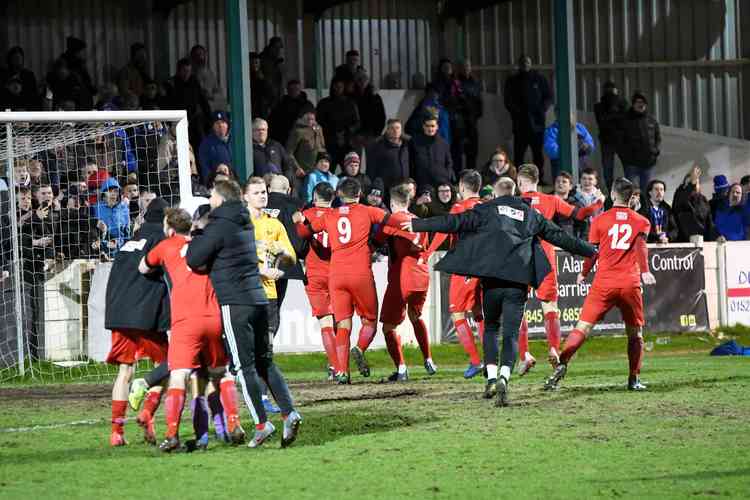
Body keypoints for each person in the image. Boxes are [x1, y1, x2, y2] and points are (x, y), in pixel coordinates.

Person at [403, 176, 596, 406]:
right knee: (511, 334)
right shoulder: (529, 214)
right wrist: (591, 251)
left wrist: (418, 224)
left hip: (492, 280)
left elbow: (453, 222)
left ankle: (492, 378)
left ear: (494, 194)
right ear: (514, 192)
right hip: (517, 282)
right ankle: (505, 375)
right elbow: (561, 237)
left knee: (491, 328)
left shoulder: (486, 210)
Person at [186, 179, 302, 448]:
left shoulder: (219, 225)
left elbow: (194, 259)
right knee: (266, 362)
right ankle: (289, 412)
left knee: (244, 367)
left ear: (220, 198)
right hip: (260, 298)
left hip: (235, 302)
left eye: (213, 196)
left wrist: (198, 232)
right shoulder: (245, 221)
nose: (210, 200)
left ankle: (262, 425)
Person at [140, 208, 246, 451]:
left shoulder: (166, 246)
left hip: (185, 320)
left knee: (179, 375)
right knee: (221, 373)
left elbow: (143, 268)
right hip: (213, 316)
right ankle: (233, 423)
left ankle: (171, 434)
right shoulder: (205, 245)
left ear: (169, 229)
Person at [294, 177, 414, 383]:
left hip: (336, 275)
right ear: (360, 194)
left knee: (342, 324)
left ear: (340, 195)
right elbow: (394, 220)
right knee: (369, 321)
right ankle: (359, 348)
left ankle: (342, 371)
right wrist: (414, 223)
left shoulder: (330, 215)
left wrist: (299, 221)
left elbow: (305, 232)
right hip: (360, 273)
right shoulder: (369, 211)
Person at [545, 178, 656, 392]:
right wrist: (645, 271)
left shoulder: (599, 220)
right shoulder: (641, 221)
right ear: (631, 196)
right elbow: (641, 248)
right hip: (629, 284)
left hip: (603, 283)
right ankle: (634, 379)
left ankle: (562, 363)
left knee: (582, 328)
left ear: (613, 195)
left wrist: (583, 273)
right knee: (635, 333)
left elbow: (592, 251)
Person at [515, 164, 604, 375]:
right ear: (537, 180)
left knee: (517, 308)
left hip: (520, 259)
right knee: (550, 308)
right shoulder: (551, 200)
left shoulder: (514, 203)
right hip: (545, 257)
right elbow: (581, 214)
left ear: (520, 181)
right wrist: (599, 202)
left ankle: (525, 355)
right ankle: (554, 349)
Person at [104, 198, 170, 446]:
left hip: (118, 314)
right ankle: (147, 413)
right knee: (168, 364)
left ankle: (116, 432)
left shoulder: (128, 243)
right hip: (145, 314)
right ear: (166, 219)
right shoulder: (162, 240)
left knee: (125, 371)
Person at [243, 177, 297, 414]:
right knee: (246, 350)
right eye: (256, 193)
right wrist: (259, 269)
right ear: (245, 196)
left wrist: (282, 253)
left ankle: (263, 397)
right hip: (243, 294)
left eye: (264, 192)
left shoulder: (274, 225)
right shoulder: (239, 224)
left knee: (266, 348)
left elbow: (292, 258)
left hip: (268, 294)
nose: (262, 196)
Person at [423, 170, 484, 376]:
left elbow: (443, 231)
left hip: (465, 266)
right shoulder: (487, 207)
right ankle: (491, 359)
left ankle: (476, 361)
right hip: (487, 266)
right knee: (478, 311)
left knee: (457, 312)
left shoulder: (460, 208)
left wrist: (428, 253)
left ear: (463, 187)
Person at [378, 184, 435, 381]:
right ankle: (428, 359)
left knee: (388, 326)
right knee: (415, 316)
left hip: (402, 275)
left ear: (393, 203)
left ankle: (401, 368)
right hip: (422, 274)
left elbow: (377, 239)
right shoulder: (419, 221)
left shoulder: (393, 219)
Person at [295, 182, 337, 379]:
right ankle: (339, 364)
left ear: (314, 196)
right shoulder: (339, 215)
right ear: (332, 197)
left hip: (315, 274)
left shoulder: (308, 215)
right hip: (338, 273)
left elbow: (298, 241)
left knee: (325, 322)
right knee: (339, 320)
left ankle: (335, 367)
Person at [504, 55, 553, 178]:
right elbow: (508, 101)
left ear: (531, 64)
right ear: (519, 64)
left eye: (527, 62)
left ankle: (539, 179)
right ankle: (519, 180)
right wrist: (517, 113)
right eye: (523, 62)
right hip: (520, 125)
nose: (525, 64)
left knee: (538, 154)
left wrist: (541, 110)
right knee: (519, 155)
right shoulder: (512, 81)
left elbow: (549, 97)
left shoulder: (539, 79)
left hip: (537, 125)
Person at [266, 175, 307, 311]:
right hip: (281, 264)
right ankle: (269, 332)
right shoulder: (293, 207)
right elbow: (296, 241)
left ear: (268, 188)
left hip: (257, 262)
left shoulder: (256, 203)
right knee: (274, 308)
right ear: (288, 190)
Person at [163, 58, 211, 149]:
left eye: (189, 71)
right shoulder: (172, 84)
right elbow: (167, 105)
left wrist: (209, 118)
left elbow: (202, 100)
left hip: (193, 120)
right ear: (179, 71)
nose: (186, 74)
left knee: (201, 143)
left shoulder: (194, 82)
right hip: (178, 121)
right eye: (184, 71)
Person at [618, 92, 661, 189]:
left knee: (646, 191)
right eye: (638, 102)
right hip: (631, 164)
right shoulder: (625, 120)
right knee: (629, 191)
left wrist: (655, 152)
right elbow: (619, 141)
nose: (640, 104)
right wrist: (625, 157)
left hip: (648, 163)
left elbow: (658, 138)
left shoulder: (651, 119)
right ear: (633, 104)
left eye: (643, 102)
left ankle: (644, 204)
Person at [316, 77, 360, 169]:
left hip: (347, 143)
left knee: (349, 171)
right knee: (328, 170)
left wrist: (347, 131)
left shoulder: (350, 103)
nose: (338, 89)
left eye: (340, 86)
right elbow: (319, 121)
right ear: (332, 87)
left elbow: (356, 122)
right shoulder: (324, 103)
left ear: (344, 87)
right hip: (329, 143)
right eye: (336, 86)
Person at [594, 81, 629, 190]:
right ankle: (620, 189)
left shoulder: (599, 106)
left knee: (609, 167)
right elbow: (604, 120)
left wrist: (612, 116)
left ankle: (612, 190)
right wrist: (617, 115)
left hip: (609, 139)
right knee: (624, 166)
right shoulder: (622, 104)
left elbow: (605, 120)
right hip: (617, 139)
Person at [366, 119, 410, 203]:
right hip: (386, 190)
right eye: (392, 128)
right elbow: (371, 170)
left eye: (397, 128)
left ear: (401, 130)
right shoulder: (378, 146)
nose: (395, 131)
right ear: (387, 130)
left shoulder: (407, 145)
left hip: (404, 188)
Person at [672, 165, 718, 243]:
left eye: (696, 182)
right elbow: (680, 201)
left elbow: (709, 223)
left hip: (703, 242)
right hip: (684, 243)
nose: (693, 184)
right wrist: (691, 183)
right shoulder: (679, 197)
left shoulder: (703, 200)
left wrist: (716, 236)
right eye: (689, 182)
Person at [285, 111, 326, 197]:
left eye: (313, 119)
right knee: (300, 197)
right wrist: (297, 167)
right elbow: (289, 152)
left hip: (315, 171)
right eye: (308, 119)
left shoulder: (318, 129)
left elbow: (322, 148)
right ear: (302, 119)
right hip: (300, 172)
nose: (311, 121)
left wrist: (324, 163)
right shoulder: (298, 131)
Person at [409, 115, 454, 193]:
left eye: (433, 126)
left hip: (441, 185)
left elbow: (449, 162)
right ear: (423, 126)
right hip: (422, 186)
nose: (430, 129)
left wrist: (447, 175)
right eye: (427, 126)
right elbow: (410, 163)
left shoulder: (443, 143)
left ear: (437, 127)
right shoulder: (414, 142)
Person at [252, 118, 298, 185]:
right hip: (260, 186)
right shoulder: (249, 149)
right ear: (251, 131)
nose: (261, 132)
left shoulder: (276, 145)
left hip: (279, 186)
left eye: (263, 129)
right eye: (258, 130)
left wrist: (286, 179)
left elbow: (288, 164)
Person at [92, 178, 130, 258]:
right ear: (103, 194)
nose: (113, 194)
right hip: (98, 245)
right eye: (110, 191)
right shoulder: (95, 207)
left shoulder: (124, 209)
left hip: (118, 247)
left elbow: (127, 233)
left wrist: (117, 242)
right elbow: (90, 225)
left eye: (115, 191)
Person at [269, 79, 315, 146]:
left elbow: (311, 120)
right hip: (283, 138)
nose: (293, 91)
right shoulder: (281, 104)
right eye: (291, 89)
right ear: (287, 90)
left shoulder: (307, 105)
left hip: (302, 138)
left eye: (296, 89)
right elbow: (273, 121)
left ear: (300, 89)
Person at [456, 60, 483, 171]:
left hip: (472, 121)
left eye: (467, 66)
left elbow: (479, 101)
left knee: (472, 150)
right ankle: (457, 176)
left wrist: (477, 115)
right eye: (463, 66)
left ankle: (471, 174)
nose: (466, 68)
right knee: (458, 150)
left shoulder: (475, 82)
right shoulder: (456, 82)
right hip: (459, 122)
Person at [198, 111, 232, 183]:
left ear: (228, 124)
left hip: (236, 183)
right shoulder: (206, 144)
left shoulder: (235, 141)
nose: (220, 125)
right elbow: (204, 167)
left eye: (223, 122)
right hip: (217, 184)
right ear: (213, 126)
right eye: (217, 123)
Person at [571, 167, 604, 239]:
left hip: (596, 235)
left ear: (595, 181)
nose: (587, 181)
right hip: (578, 235)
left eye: (590, 179)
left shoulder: (600, 197)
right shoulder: (572, 195)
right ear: (580, 180)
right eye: (584, 178)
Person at [353, 72, 386, 143]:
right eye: (359, 79)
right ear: (356, 81)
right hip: (355, 133)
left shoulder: (375, 96)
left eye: (364, 79)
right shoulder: (352, 97)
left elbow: (381, 116)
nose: (362, 82)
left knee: (372, 153)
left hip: (371, 133)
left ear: (368, 81)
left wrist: (377, 133)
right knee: (354, 154)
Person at [190, 44, 225, 112]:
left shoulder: (210, 73)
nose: (201, 57)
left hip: (213, 107)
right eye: (198, 54)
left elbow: (218, 91)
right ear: (193, 57)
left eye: (202, 54)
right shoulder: (190, 74)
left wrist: (213, 96)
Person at [260, 36, 286, 108]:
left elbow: (281, 79)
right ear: (271, 47)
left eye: (279, 48)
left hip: (277, 97)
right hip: (266, 98)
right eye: (276, 48)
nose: (278, 51)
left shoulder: (278, 61)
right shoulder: (262, 59)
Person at [250, 51, 275, 120]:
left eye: (257, 63)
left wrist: (263, 80)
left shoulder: (263, 75)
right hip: (250, 108)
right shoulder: (245, 77)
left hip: (262, 109)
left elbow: (270, 93)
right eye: (253, 63)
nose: (256, 65)